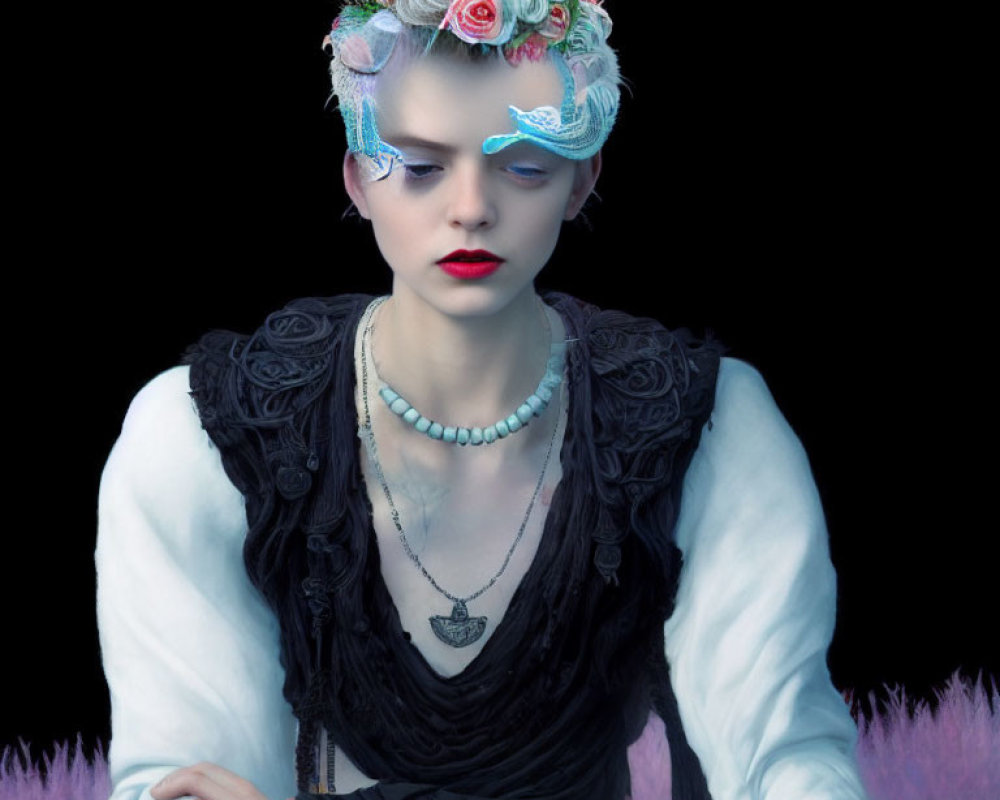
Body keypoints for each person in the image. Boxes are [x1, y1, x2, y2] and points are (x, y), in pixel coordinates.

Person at [95, 2, 870, 798]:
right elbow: (192, 774)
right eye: (421, 167)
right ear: (359, 178)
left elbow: (783, 751)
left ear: (583, 178)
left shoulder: (707, 423)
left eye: (525, 164)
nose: (472, 208)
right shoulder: (202, 436)